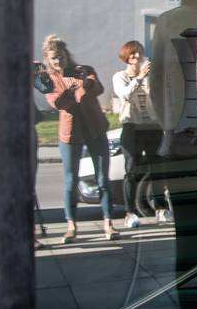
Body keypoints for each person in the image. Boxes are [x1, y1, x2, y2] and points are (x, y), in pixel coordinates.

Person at [41, 35, 118, 243]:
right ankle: (71, 226)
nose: (58, 61)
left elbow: (98, 89)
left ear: (67, 55)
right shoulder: (48, 80)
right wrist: (67, 93)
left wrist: (86, 82)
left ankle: (108, 223)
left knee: (102, 179)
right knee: (70, 180)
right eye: (54, 58)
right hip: (70, 134)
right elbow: (57, 103)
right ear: (48, 60)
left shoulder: (84, 70)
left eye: (61, 56)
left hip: (95, 129)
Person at [112, 41, 161, 229]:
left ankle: (161, 208)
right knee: (131, 170)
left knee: (156, 168)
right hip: (131, 126)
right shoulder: (120, 77)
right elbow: (125, 95)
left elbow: (157, 96)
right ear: (126, 56)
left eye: (139, 53)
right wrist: (139, 77)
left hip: (152, 126)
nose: (137, 57)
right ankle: (130, 212)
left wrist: (151, 77)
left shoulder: (148, 75)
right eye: (133, 54)